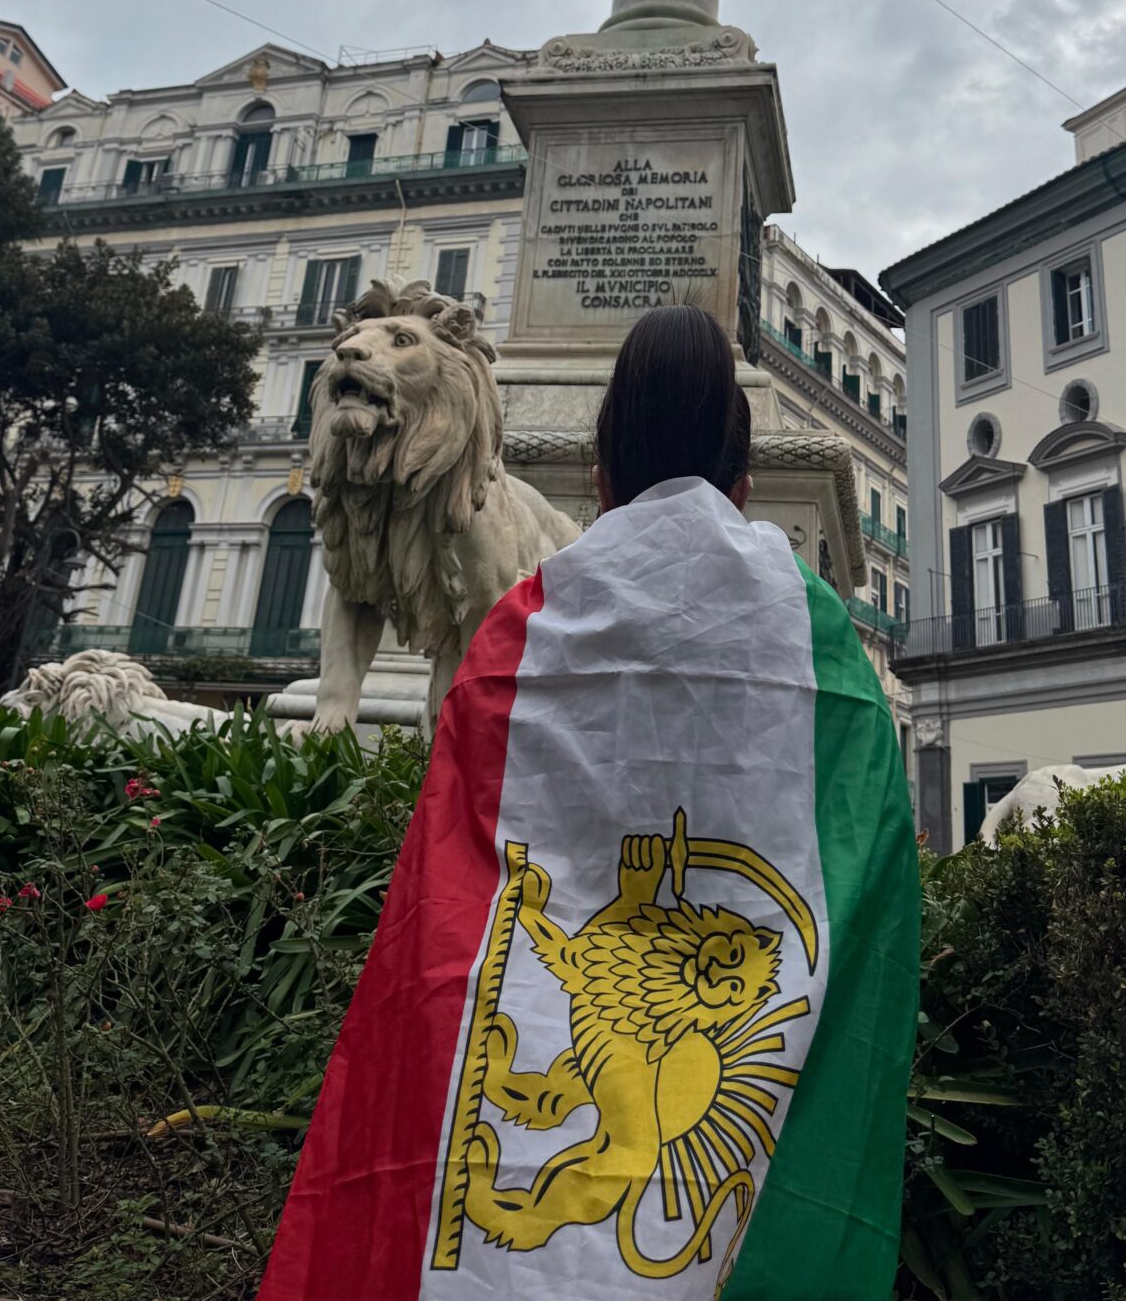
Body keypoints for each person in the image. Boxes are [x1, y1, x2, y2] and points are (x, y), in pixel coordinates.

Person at [260, 305, 918, 1301]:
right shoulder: (824, 648)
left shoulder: (525, 626)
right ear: (746, 483)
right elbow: (872, 863)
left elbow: (446, 890)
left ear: (601, 476)